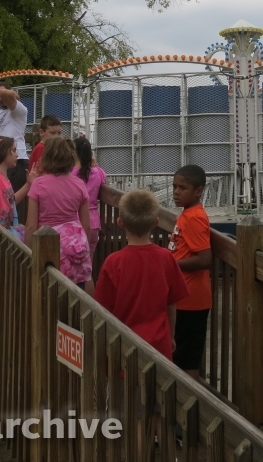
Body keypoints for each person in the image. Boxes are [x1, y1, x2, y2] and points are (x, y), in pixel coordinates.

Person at [95, 189, 187, 359]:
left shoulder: (113, 262)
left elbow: (103, 309)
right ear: (156, 222)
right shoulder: (166, 257)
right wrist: (171, 336)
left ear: (120, 223)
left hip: (123, 346)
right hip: (159, 346)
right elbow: (171, 303)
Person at [24, 136, 91, 285]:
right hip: (76, 246)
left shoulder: (38, 184)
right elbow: (87, 226)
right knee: (78, 290)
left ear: (47, 157)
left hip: (49, 246)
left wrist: (28, 253)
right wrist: (82, 245)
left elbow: (30, 226)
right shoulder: (79, 184)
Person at [168, 164, 213, 379]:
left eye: (182, 188)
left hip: (191, 299)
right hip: (182, 296)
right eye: (174, 186)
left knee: (187, 359)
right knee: (179, 355)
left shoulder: (194, 217)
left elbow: (204, 259)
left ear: (198, 191)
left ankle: (190, 398)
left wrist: (170, 263)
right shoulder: (187, 214)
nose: (176, 192)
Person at [0, 81, 29, 196]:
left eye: (1, 95)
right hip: (1, 159)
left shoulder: (19, 109)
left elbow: (6, 94)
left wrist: (12, 95)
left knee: (13, 197)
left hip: (17, 159)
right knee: (1, 196)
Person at [72, 135, 105, 252]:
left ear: (74, 153)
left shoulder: (69, 173)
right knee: (89, 261)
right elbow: (104, 180)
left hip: (75, 221)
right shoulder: (98, 172)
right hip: (94, 223)